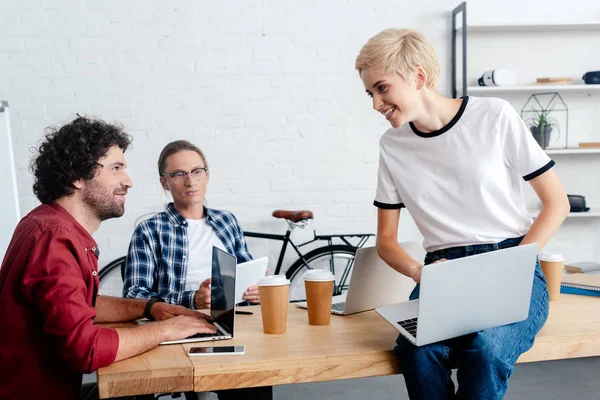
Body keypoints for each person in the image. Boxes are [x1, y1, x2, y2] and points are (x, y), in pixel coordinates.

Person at [355, 29, 570, 399]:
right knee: (416, 350)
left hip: (510, 260)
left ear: (418, 77)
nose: (376, 104)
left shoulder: (494, 116)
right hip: (442, 270)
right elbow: (386, 242)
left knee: (487, 349)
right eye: (370, 94)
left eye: (382, 88)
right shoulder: (392, 146)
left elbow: (557, 203)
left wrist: (516, 263)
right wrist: (421, 273)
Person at [0, 117, 217, 400]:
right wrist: (166, 331)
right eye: (116, 168)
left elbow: (84, 305)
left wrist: (151, 308)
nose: (128, 182)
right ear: (77, 176)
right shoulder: (54, 238)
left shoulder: (52, 226)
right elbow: (86, 349)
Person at [123, 140, 260, 311]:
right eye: (179, 174)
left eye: (197, 171)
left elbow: (248, 278)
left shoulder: (227, 221)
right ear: (164, 182)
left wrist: (256, 290)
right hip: (178, 325)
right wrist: (192, 300)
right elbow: (133, 296)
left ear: (207, 175)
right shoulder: (150, 230)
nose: (190, 181)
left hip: (233, 320)